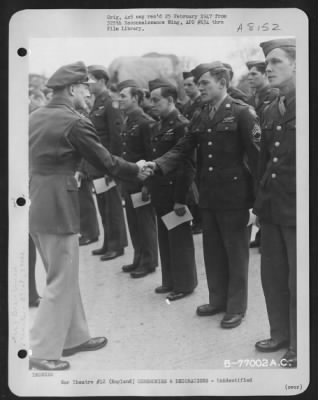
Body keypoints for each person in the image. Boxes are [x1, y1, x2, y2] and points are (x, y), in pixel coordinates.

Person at [29, 61, 151, 371]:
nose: (89, 92)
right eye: (84, 87)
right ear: (72, 89)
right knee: (60, 279)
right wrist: (137, 169)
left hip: (38, 201)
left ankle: (73, 338)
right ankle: (43, 353)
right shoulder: (75, 121)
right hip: (59, 204)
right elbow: (106, 160)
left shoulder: (36, 116)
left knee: (63, 274)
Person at [146, 62, 260, 327]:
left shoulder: (243, 114)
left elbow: (257, 159)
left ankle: (236, 306)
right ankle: (218, 299)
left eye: (204, 83)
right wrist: (159, 164)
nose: (199, 88)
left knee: (235, 253)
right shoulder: (201, 114)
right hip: (208, 195)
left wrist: (258, 202)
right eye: (198, 84)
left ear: (222, 83)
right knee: (213, 251)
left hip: (235, 197)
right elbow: (184, 146)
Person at [253, 38, 297, 368]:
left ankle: (301, 343)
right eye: (266, 62)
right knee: (274, 276)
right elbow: (264, 161)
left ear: (298, 64)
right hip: (272, 207)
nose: (267, 68)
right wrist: (258, 206)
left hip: (299, 210)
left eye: (276, 61)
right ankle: (280, 333)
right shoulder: (269, 109)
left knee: (300, 279)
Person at [143, 78, 198, 300]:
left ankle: (185, 284)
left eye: (156, 100)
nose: (152, 104)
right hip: (161, 191)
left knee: (179, 241)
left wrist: (181, 199)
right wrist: (148, 185)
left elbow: (187, 166)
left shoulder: (182, 125)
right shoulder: (159, 124)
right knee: (165, 239)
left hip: (176, 192)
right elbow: (156, 160)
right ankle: (170, 280)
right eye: (151, 99)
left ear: (170, 100)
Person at [86, 65, 128, 261]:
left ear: (102, 81)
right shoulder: (97, 102)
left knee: (112, 205)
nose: (88, 85)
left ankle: (117, 245)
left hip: (108, 164)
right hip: (98, 165)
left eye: (91, 81)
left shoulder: (111, 103)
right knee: (103, 205)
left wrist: (114, 166)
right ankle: (108, 242)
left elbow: (116, 136)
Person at [118, 79, 158, 278]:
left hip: (141, 181)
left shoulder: (145, 122)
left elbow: (151, 156)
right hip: (129, 181)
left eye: (124, 96)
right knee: (133, 222)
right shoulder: (128, 120)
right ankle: (138, 257)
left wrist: (148, 185)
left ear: (135, 98)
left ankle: (149, 261)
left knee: (145, 222)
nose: (120, 99)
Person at [246, 60, 279, 249]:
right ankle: (261, 234)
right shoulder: (251, 99)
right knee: (259, 193)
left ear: (265, 75)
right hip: (255, 154)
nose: (250, 77)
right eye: (249, 74)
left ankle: (266, 235)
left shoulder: (273, 94)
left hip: (269, 151)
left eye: (254, 74)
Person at [181, 71, 202, 235]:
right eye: (185, 85)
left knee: (197, 187)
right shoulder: (187, 105)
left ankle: (200, 221)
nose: (187, 88)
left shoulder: (201, 103)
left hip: (200, 151)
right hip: (190, 149)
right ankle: (196, 218)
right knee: (192, 186)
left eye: (190, 85)